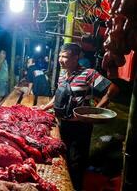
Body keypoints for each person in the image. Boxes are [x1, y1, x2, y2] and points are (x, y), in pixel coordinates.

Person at [40, 43, 119, 190]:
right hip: (62, 124)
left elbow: (113, 89)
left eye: (65, 56)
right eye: (60, 56)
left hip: (80, 127)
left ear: (76, 57)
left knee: (76, 162)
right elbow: (58, 94)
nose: (61, 60)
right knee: (63, 159)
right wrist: (44, 108)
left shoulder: (88, 74)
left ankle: (75, 187)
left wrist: (96, 110)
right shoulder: (63, 74)